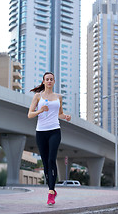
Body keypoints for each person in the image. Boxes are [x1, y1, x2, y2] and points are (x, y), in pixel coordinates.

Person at [28, 72, 71, 205]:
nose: (49, 81)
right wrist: (40, 111)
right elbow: (30, 114)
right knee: (46, 163)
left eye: (51, 79)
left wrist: (66, 117)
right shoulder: (37, 96)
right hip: (41, 132)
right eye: (47, 79)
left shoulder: (58, 97)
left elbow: (60, 114)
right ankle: (51, 188)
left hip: (54, 131)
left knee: (52, 159)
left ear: (54, 81)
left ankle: (51, 192)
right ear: (43, 81)